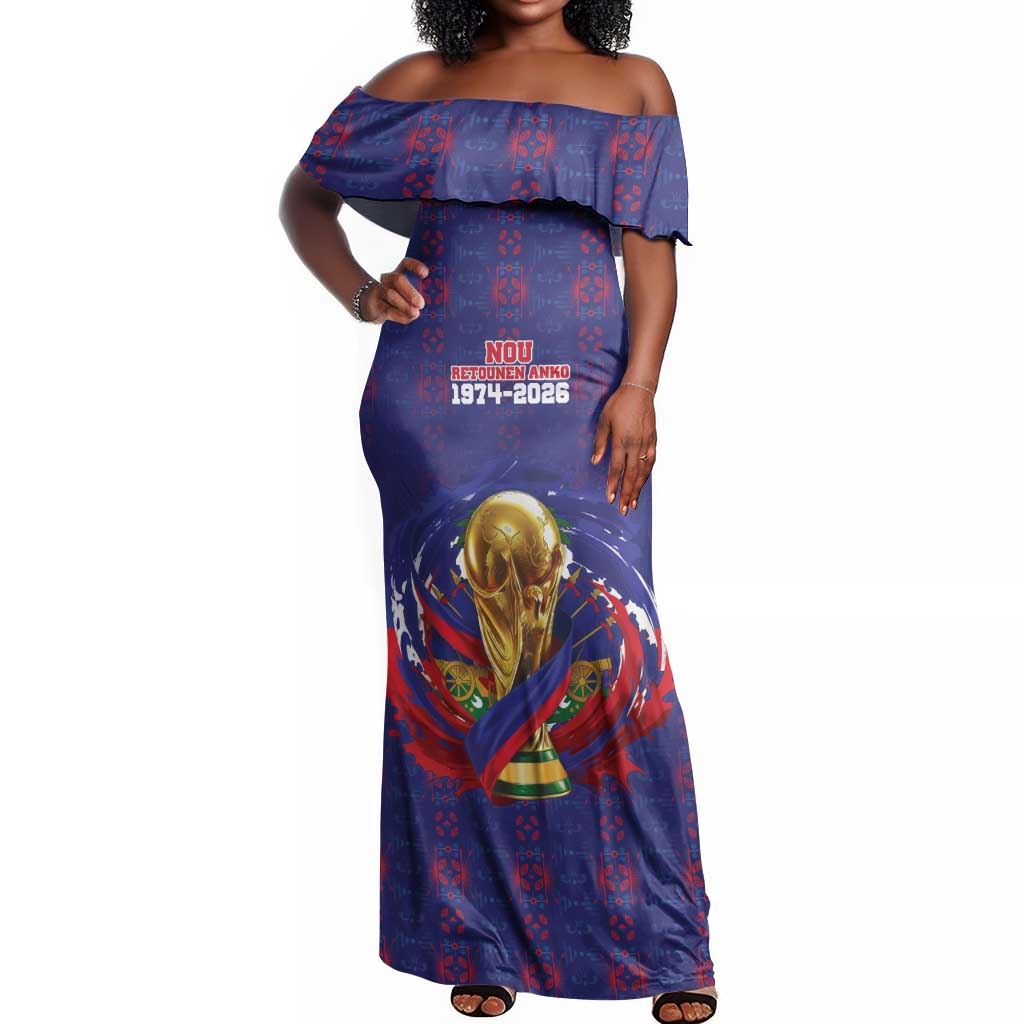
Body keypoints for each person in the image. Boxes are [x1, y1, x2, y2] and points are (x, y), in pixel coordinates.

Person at [279, 2, 716, 1020]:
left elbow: (652, 252)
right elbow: (305, 196)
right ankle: (472, 936)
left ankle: (663, 939)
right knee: (450, 654)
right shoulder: (418, 79)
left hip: (584, 401)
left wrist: (641, 385)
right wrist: (360, 293)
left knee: (613, 650)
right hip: (433, 404)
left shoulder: (635, 83)